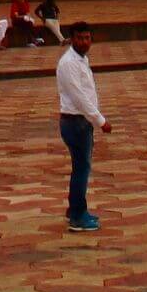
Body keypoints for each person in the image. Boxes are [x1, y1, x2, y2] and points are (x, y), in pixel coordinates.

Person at [56, 22, 108, 232]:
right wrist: (100, 121)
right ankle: (78, 215)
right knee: (81, 169)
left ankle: (75, 208)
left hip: (81, 121)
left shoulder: (81, 59)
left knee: (80, 167)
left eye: (87, 38)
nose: (84, 42)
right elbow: (79, 98)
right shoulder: (68, 63)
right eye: (79, 38)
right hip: (75, 121)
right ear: (72, 39)